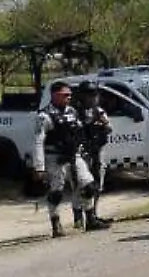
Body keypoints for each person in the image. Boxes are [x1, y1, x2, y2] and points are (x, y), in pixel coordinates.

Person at [31, 81, 108, 237]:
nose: (69, 97)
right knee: (56, 191)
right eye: (65, 95)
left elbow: (80, 132)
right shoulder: (44, 116)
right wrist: (39, 167)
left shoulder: (72, 111)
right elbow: (38, 141)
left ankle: (90, 218)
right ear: (54, 95)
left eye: (70, 95)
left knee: (89, 185)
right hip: (54, 157)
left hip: (75, 155)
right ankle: (55, 223)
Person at [71, 81, 116, 229]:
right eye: (89, 95)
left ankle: (93, 214)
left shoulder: (99, 111)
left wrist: (102, 122)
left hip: (98, 151)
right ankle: (79, 217)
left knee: (97, 184)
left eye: (94, 95)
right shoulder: (74, 112)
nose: (93, 98)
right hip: (82, 152)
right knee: (82, 185)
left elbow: (109, 129)